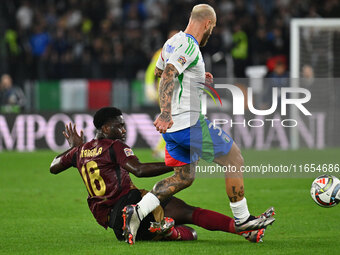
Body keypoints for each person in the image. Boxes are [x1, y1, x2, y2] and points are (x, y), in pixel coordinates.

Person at [123, 4, 275, 244]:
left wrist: (195, 78)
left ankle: (137, 212)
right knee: (234, 159)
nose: (211, 32)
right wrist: (165, 112)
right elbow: (168, 74)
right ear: (207, 24)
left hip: (173, 130)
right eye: (212, 28)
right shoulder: (190, 46)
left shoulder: (172, 42)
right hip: (187, 123)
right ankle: (243, 219)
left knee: (183, 177)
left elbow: (159, 71)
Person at [50, 107, 274, 244]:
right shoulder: (113, 146)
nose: (124, 131)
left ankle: (167, 229)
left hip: (115, 223)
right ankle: (169, 230)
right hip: (132, 205)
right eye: (119, 126)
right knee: (191, 222)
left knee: (188, 221)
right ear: (106, 129)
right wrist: (175, 165)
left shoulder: (80, 152)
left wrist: (72, 149)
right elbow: (139, 170)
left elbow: (54, 166)